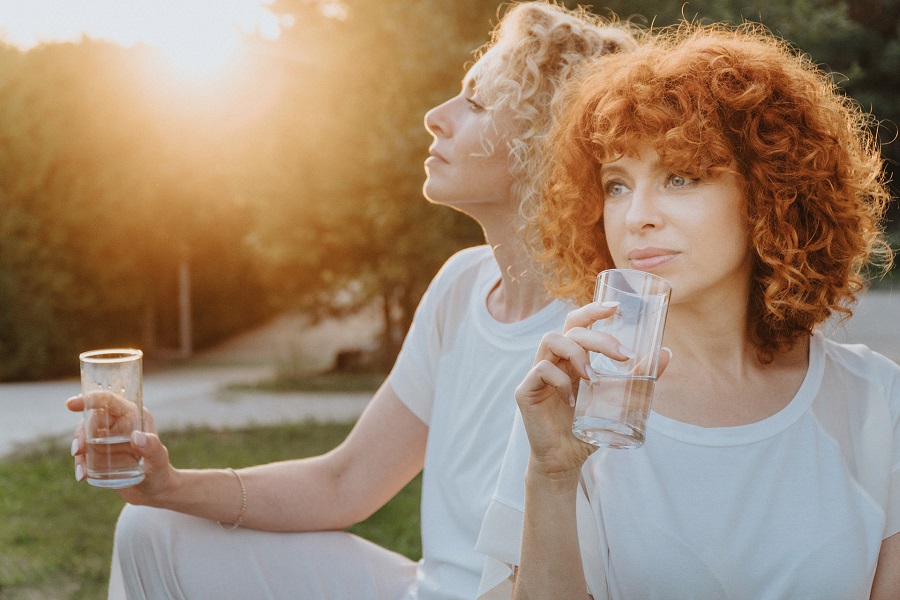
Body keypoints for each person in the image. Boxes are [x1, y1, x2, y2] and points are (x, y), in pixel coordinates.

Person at [66, 3, 638, 599]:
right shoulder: (460, 285)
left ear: (545, 144)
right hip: (424, 590)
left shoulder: (603, 329)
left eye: (475, 103)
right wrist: (167, 484)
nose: (435, 117)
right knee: (151, 528)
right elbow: (345, 482)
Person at [479, 21, 900, 599]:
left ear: (771, 193)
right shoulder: (578, 403)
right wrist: (552, 475)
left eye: (679, 177)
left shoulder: (877, 400)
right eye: (616, 184)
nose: (637, 217)